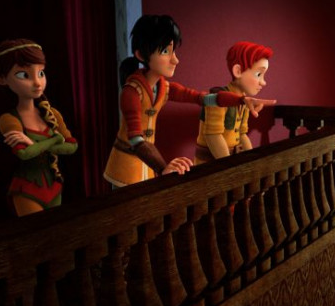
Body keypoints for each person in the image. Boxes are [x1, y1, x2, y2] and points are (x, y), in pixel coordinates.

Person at [104, 15, 275, 186]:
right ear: (141, 55)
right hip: (125, 167)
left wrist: (242, 100)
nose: (175, 60)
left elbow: (206, 99)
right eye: (165, 51)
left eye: (174, 51)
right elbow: (136, 140)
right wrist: (162, 168)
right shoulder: (131, 92)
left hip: (148, 165)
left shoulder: (164, 88)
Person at [0, 38, 78, 216]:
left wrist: (34, 144)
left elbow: (72, 146)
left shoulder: (52, 113)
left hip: (54, 185)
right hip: (26, 189)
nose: (37, 82)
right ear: (2, 79)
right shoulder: (9, 119)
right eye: (24, 75)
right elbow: (24, 153)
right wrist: (55, 139)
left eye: (41, 73)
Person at [195, 41, 273, 164]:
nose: (263, 82)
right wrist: (231, 167)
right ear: (238, 71)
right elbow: (213, 136)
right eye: (259, 74)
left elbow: (242, 134)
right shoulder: (217, 97)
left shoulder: (245, 101)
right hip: (211, 165)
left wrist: (253, 162)